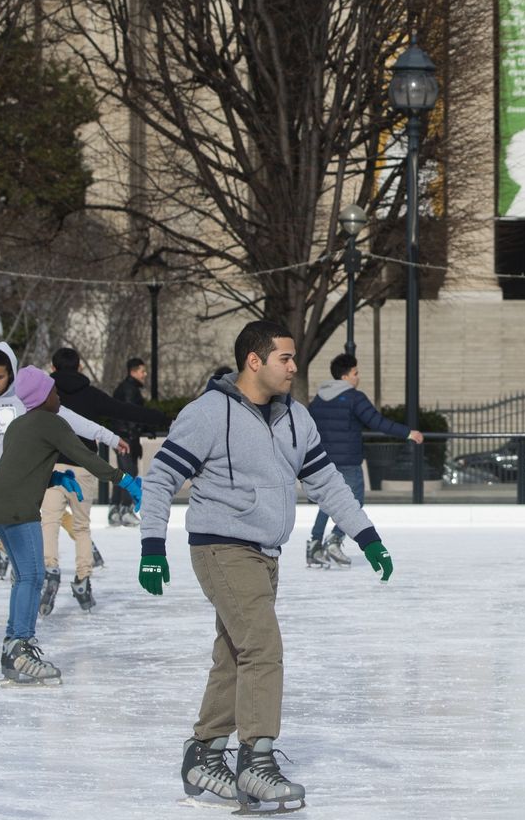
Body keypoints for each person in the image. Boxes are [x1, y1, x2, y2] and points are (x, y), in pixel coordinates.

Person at [136, 319, 392, 812]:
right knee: (263, 647)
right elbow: (161, 478)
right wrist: (152, 547)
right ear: (254, 361)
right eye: (286, 358)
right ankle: (256, 762)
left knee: (237, 653)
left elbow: (327, 482)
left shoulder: (296, 417)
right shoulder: (208, 413)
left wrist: (367, 536)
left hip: (266, 553)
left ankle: (204, 755)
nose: (295, 368)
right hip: (222, 547)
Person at [0, 342, 124, 650]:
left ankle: (20, 628)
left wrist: (109, 437)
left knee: (24, 565)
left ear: (11, 372)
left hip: (19, 487)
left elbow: (70, 419)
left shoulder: (29, 399)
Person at [0, 367, 140, 684]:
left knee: (23, 577)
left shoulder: (18, 425)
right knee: (33, 576)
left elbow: (21, 465)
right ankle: (21, 647)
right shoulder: (51, 422)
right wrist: (124, 479)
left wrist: (56, 476)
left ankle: (12, 646)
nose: (59, 396)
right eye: (54, 391)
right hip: (17, 507)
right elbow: (86, 457)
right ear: (43, 397)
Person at [41, 347, 167, 612]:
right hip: (85, 467)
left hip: (52, 468)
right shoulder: (91, 395)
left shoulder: (46, 396)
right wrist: (164, 418)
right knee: (81, 526)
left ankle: (50, 569)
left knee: (49, 521)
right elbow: (124, 410)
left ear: (53, 368)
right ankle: (83, 579)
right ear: (79, 368)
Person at [306, 351, 423, 569]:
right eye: (355, 373)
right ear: (345, 376)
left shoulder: (318, 400)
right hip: (349, 460)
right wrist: (407, 433)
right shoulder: (354, 398)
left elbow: (310, 428)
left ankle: (314, 545)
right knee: (354, 501)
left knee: (329, 501)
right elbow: (376, 422)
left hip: (325, 459)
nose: (357, 377)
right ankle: (335, 540)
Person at [110, 356, 151, 526]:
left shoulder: (129, 388)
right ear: (133, 372)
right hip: (125, 438)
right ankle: (125, 509)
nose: (145, 374)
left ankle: (115, 510)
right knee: (129, 473)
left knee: (123, 474)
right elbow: (129, 415)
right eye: (142, 371)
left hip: (124, 436)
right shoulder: (129, 390)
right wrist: (132, 435)